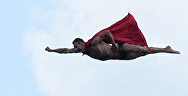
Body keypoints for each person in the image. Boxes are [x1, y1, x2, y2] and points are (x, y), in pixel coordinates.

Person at [45, 13, 179, 61]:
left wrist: (114, 45)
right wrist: (51, 50)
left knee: (143, 50)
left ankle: (165, 49)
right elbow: (64, 51)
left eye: (76, 46)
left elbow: (108, 32)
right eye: (75, 48)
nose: (75, 49)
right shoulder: (84, 51)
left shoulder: (94, 43)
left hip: (120, 49)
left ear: (81, 43)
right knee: (144, 53)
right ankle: (166, 49)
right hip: (120, 57)